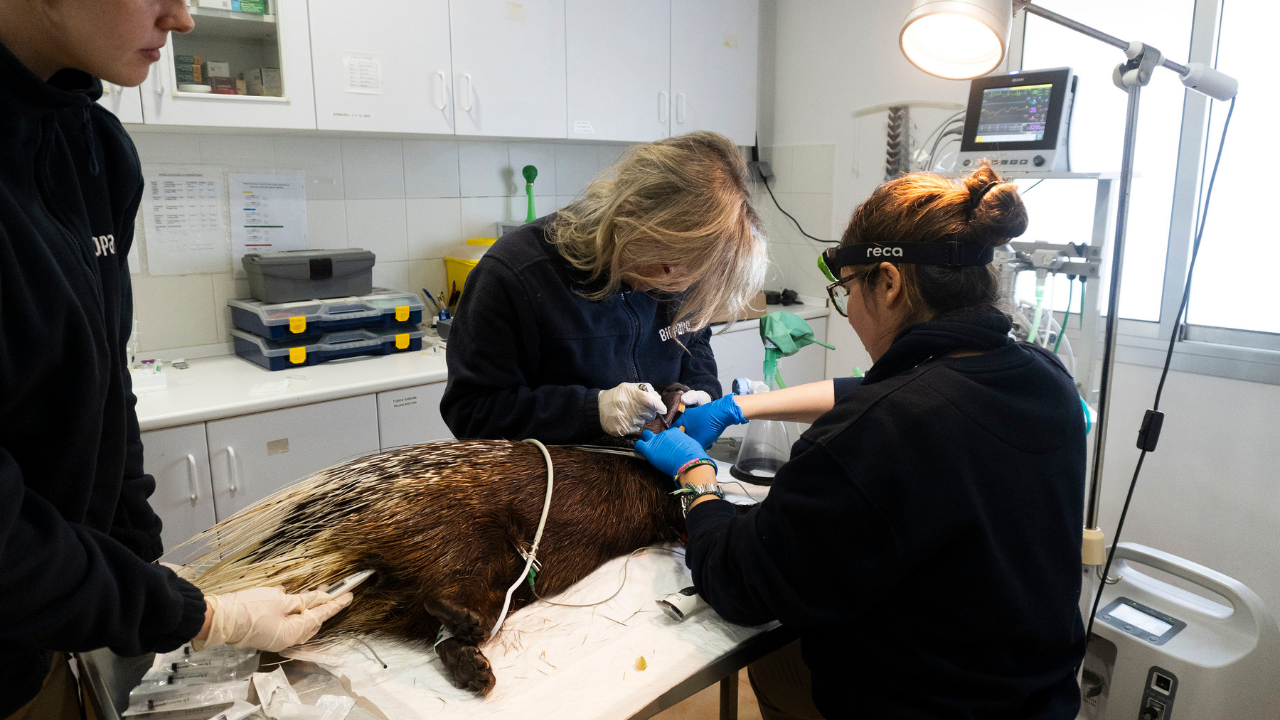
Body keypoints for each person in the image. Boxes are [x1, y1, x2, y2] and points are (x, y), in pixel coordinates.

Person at [0, 2, 350, 718]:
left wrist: (145, 571)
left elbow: (102, 394)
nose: (182, 18)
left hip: (51, 631)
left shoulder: (95, 146)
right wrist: (192, 616)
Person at [635, 168, 1088, 719]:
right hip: (1036, 697)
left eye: (846, 289)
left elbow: (741, 583)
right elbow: (891, 392)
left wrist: (697, 481)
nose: (847, 308)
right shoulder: (1046, 379)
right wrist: (740, 406)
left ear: (889, 282)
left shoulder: (881, 433)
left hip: (921, 705)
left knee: (774, 666)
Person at [441, 131, 767, 443]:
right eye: (668, 263)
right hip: (554, 484)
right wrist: (592, 410)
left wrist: (701, 390)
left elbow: (693, 341)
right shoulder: (513, 274)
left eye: (694, 273)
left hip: (651, 471)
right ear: (629, 212)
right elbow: (470, 411)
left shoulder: (688, 262)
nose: (679, 283)